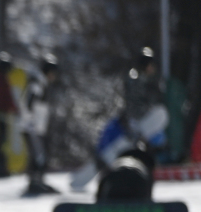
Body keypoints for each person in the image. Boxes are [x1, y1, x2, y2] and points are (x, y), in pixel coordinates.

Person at [71, 48, 168, 191]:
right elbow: (136, 106)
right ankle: (78, 181)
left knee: (113, 154)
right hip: (132, 125)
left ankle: (79, 180)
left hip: (133, 125)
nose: (153, 69)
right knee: (110, 155)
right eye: (151, 65)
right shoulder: (136, 79)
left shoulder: (140, 79)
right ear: (146, 65)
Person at [20, 55, 60, 195]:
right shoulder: (37, 83)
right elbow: (28, 102)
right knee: (39, 156)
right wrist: (30, 122)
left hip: (37, 128)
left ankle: (38, 181)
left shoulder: (41, 83)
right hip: (33, 129)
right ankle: (35, 183)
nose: (54, 76)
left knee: (40, 155)